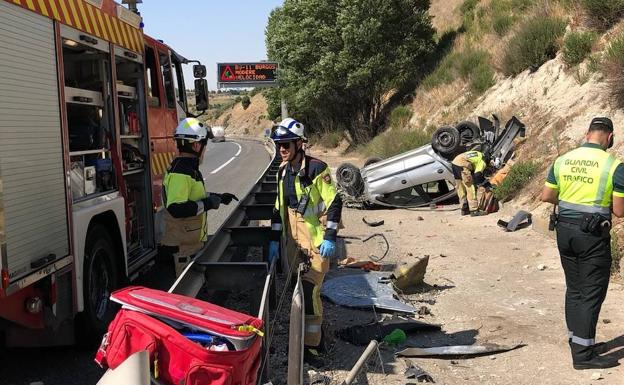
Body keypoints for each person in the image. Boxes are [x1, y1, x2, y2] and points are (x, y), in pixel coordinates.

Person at [541, 117, 624, 370]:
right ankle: (583, 355)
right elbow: (620, 211)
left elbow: (547, 196)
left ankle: (577, 339)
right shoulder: (614, 165)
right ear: (609, 138)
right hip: (592, 237)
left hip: (564, 232)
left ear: (587, 134)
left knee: (575, 288)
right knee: (591, 292)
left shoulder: (563, 160)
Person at [268, 117, 343, 367]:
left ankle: (312, 346)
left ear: (300, 144)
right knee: (297, 288)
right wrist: (274, 241)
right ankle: (304, 336)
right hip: (293, 240)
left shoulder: (316, 169)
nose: (282, 150)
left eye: (286, 145)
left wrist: (330, 237)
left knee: (310, 290)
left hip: (317, 240)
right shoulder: (282, 172)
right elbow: (279, 208)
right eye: (279, 145)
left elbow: (334, 203)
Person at [160, 118, 238, 277]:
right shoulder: (181, 171)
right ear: (196, 145)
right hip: (181, 249)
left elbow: (193, 196)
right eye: (204, 145)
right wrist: (208, 203)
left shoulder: (187, 168)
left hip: (188, 245)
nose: (205, 150)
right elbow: (176, 208)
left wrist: (219, 197)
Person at [451, 148, 491, 216]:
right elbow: (477, 175)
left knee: (460, 188)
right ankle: (474, 210)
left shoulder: (478, 154)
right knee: (470, 187)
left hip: (454, 163)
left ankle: (464, 208)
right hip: (462, 164)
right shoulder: (483, 161)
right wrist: (486, 184)